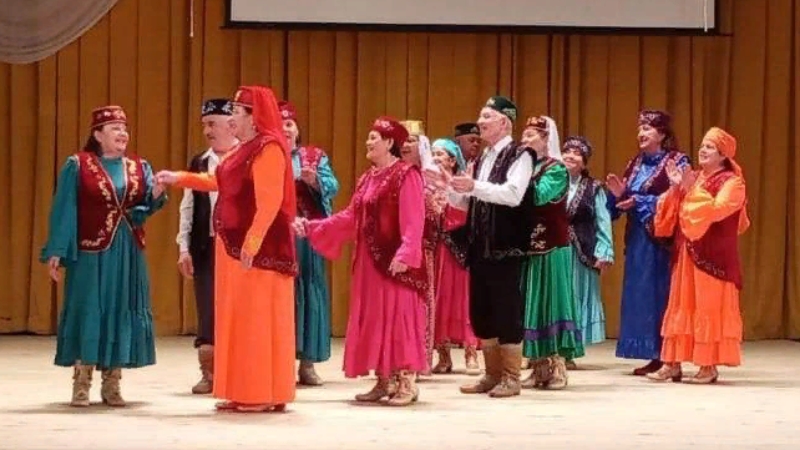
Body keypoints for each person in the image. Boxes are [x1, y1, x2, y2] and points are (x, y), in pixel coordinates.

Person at [156, 85, 297, 413]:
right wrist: (179, 178)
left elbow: (270, 201)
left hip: (258, 253)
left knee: (256, 320)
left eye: (236, 111)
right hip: (232, 249)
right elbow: (217, 182)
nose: (230, 117)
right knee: (237, 320)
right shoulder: (243, 150)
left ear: (253, 116)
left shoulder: (268, 148)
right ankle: (242, 388)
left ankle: (261, 392)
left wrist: (253, 241)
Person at [294, 116, 428, 407]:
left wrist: (406, 254)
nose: (368, 142)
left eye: (373, 137)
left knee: (399, 317)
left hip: (395, 261)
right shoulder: (368, 178)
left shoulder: (406, 175)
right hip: (369, 261)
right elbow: (351, 217)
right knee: (376, 318)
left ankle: (406, 382)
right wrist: (313, 227)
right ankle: (383, 380)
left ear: (390, 143)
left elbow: (414, 219)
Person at [40, 105, 167, 407]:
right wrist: (57, 251)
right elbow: (65, 209)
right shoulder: (78, 165)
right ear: (98, 135)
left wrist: (157, 192)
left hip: (127, 250)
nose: (123, 133)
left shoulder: (139, 166)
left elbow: (146, 206)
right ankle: (81, 382)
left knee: (120, 307)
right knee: (89, 307)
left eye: (124, 128)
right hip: (91, 251)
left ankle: (112, 383)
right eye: (114, 128)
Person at [439, 96, 535, 398]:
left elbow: (513, 194)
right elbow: (470, 201)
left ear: (504, 122)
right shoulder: (481, 159)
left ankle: (511, 377)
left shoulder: (521, 154)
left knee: (507, 311)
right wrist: (450, 187)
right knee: (482, 312)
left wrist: (474, 186)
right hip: (479, 246)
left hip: (506, 246)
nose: (480, 122)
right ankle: (492, 374)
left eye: (486, 116)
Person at [648, 127, 749, 384]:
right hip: (687, 252)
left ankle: (707, 366)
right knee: (681, 304)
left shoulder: (732, 182)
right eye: (703, 145)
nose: (703, 150)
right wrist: (676, 189)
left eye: (710, 147)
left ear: (723, 155)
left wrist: (689, 190)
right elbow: (675, 211)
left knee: (708, 306)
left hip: (713, 257)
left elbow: (717, 209)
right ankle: (672, 363)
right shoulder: (694, 178)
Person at [606, 110, 690, 376]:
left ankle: (670, 356)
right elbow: (624, 201)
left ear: (662, 134)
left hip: (663, 241)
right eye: (640, 128)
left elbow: (682, 197)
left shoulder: (677, 161)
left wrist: (640, 201)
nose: (641, 133)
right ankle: (654, 354)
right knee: (642, 295)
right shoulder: (635, 163)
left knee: (662, 294)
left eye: (647, 128)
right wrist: (618, 196)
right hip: (638, 240)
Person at [176, 98, 237, 395]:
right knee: (208, 308)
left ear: (232, 125)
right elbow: (188, 206)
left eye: (212, 124)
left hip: (238, 247)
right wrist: (183, 247)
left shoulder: (247, 158)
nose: (207, 131)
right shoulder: (200, 162)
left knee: (238, 308)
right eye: (204, 125)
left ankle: (239, 371)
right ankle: (209, 372)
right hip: (207, 246)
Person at [517, 116, 583, 390]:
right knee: (531, 304)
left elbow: (538, 196)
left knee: (551, 303)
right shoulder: (527, 166)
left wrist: (515, 182)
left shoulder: (556, 169)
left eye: (531, 135)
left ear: (546, 139)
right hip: (529, 247)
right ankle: (539, 366)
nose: (525, 139)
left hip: (552, 247)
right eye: (524, 134)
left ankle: (557, 367)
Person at [278, 99, 340, 386]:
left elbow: (333, 186)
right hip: (277, 237)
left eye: (289, 124)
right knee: (281, 296)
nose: (285, 129)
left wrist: (314, 180)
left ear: (297, 128)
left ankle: (308, 363)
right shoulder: (267, 156)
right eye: (280, 124)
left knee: (310, 293)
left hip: (308, 236)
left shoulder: (314, 156)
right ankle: (279, 362)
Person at [429, 138, 481, 376]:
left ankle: (471, 353)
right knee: (440, 301)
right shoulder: (427, 183)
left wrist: (450, 188)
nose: (435, 158)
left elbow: (466, 211)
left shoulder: (462, 182)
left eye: (440, 154)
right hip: (437, 249)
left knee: (464, 300)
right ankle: (444, 356)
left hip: (459, 248)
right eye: (433, 153)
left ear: (452, 160)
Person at [562, 136, 614, 365]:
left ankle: (569, 350)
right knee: (558, 298)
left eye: (577, 154)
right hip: (555, 249)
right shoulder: (552, 181)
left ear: (584, 162)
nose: (570, 156)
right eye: (567, 151)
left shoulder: (594, 188)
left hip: (581, 252)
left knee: (575, 298)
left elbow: (603, 221)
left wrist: (605, 251)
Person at [400, 119, 438, 375]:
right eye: (402, 140)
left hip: (421, 248)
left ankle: (419, 358)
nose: (405, 145)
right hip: (392, 248)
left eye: (411, 140)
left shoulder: (430, 176)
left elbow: (436, 213)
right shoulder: (388, 173)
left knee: (420, 303)